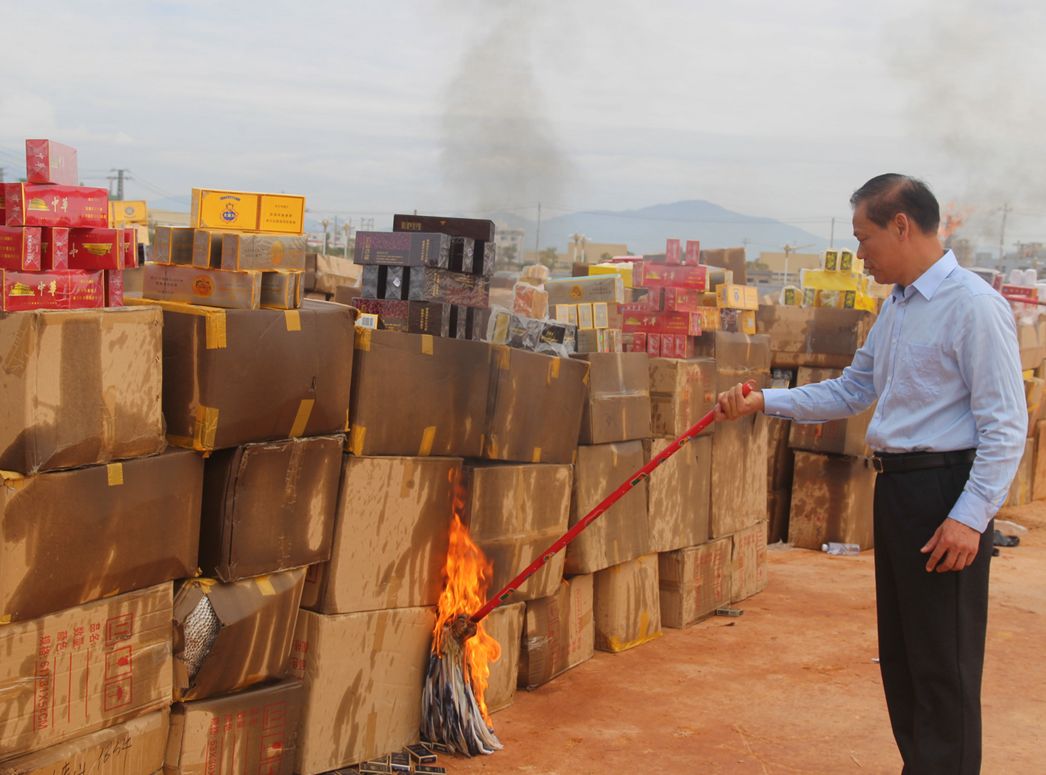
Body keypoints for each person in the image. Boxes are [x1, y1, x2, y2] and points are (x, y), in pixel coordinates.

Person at [717, 174, 1026, 774]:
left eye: (865, 238)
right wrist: (767, 402)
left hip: (946, 493)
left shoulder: (973, 307)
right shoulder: (899, 307)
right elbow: (856, 388)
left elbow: (1006, 426)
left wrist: (969, 518)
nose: (860, 255)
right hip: (900, 493)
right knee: (906, 657)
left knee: (944, 664)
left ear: (902, 226)